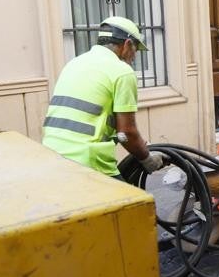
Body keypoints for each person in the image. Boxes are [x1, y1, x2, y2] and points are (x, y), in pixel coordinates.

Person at [42, 16, 163, 178]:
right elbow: (127, 133)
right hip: (88, 160)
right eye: (135, 51)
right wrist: (147, 159)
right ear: (127, 44)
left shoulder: (74, 63)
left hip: (51, 154)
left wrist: (141, 145)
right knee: (134, 201)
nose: (133, 58)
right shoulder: (122, 72)